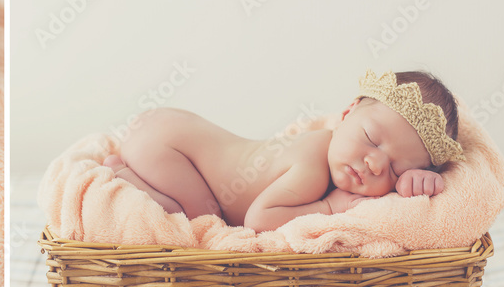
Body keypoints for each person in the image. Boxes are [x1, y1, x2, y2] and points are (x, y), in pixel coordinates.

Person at [105, 70, 465, 232]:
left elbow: (406, 203)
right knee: (202, 220)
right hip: (168, 146)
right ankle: (125, 175)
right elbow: (257, 221)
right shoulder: (313, 163)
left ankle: (127, 167)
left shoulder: (339, 157)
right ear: (346, 113)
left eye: (396, 170)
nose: (374, 163)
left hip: (167, 128)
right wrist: (328, 207)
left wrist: (415, 182)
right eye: (371, 138)